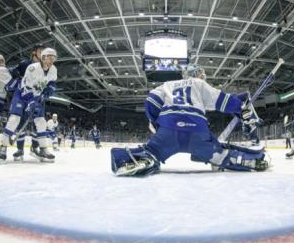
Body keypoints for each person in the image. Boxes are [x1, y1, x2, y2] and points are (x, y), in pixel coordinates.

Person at [111, 64, 268, 176]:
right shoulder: (199, 84)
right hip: (197, 132)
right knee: (221, 154)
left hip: (167, 131)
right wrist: (241, 107)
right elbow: (222, 101)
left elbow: (151, 101)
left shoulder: (167, 84)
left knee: (151, 151)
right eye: (201, 74)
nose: (203, 77)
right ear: (196, 74)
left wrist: (156, 123)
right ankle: (253, 160)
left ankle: (142, 158)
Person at [0, 48, 58, 163]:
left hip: (37, 96)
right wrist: (31, 102)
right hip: (22, 94)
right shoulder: (32, 68)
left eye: (53, 58)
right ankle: (3, 148)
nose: (51, 60)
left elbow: (52, 83)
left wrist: (49, 90)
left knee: (41, 122)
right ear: (43, 57)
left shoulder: (54, 70)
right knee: (14, 119)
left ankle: (43, 149)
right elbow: (26, 87)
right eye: (49, 57)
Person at [10, 43, 44, 161]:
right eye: (40, 51)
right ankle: (20, 150)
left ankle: (35, 148)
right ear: (34, 52)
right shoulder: (25, 63)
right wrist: (18, 76)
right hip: (24, 97)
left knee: (38, 123)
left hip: (35, 98)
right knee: (21, 123)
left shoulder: (43, 68)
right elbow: (13, 71)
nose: (43, 54)